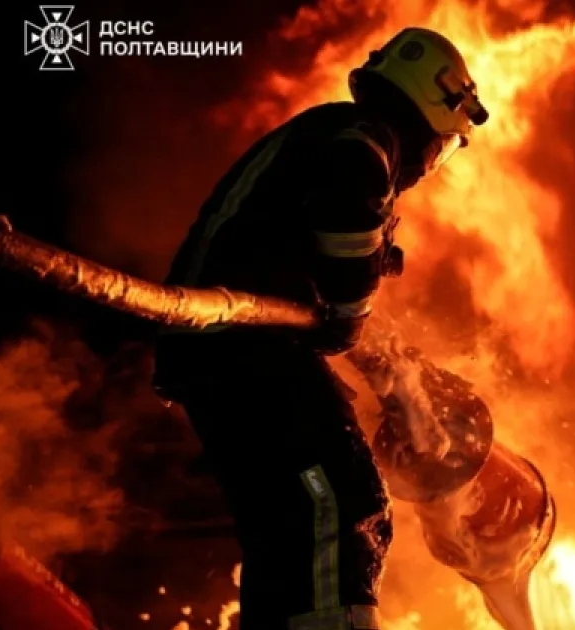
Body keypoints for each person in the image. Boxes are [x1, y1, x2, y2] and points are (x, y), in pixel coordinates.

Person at [153, 27, 489, 630]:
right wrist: (349, 315)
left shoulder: (332, 134)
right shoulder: (364, 142)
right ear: (437, 111)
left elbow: (323, 279)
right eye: (448, 144)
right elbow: (347, 243)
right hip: (240, 344)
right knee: (339, 499)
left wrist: (396, 377)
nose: (438, 161)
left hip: (234, 345)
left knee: (289, 525)